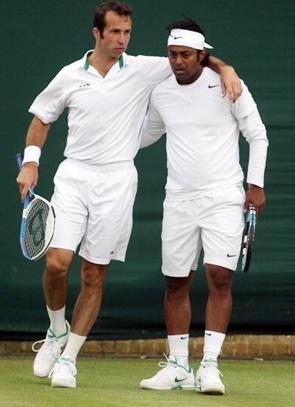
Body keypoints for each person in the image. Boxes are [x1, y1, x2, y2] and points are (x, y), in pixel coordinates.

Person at [16, 2, 242, 389]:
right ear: (97, 34)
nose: (122, 40)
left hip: (118, 181)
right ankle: (55, 332)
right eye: (115, 32)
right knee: (57, 263)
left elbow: (195, 56)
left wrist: (227, 68)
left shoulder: (144, 69)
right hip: (74, 176)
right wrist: (32, 162)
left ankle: (69, 358)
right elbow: (42, 117)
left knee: (94, 272)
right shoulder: (70, 75)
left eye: (127, 33)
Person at [139, 18, 268, 395]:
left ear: (202, 55)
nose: (177, 61)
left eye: (185, 54)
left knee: (219, 276)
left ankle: (209, 366)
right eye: (172, 54)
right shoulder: (161, 93)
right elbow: (145, 134)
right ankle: (178, 366)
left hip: (224, 197)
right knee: (176, 281)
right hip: (178, 199)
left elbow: (257, 135)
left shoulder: (228, 86)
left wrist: (255, 186)